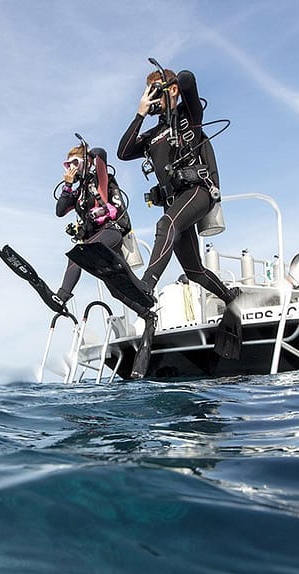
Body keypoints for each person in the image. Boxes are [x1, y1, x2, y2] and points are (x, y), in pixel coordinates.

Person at [117, 66, 241, 373]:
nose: (155, 98)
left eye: (158, 91)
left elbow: (187, 79)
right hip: (174, 203)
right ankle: (230, 298)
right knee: (195, 270)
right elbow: (122, 152)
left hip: (198, 191)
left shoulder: (190, 116)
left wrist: (170, 86)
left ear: (170, 91)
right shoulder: (152, 133)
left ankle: (146, 287)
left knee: (165, 225)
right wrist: (141, 113)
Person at [52, 144, 147, 316]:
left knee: (80, 252)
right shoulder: (79, 192)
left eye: (75, 162)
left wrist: (87, 157)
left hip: (110, 231)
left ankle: (62, 295)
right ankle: (147, 314)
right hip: (95, 238)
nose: (71, 167)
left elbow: (100, 153)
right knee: (114, 289)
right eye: (68, 164)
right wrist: (67, 186)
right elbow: (59, 211)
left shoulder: (99, 180)